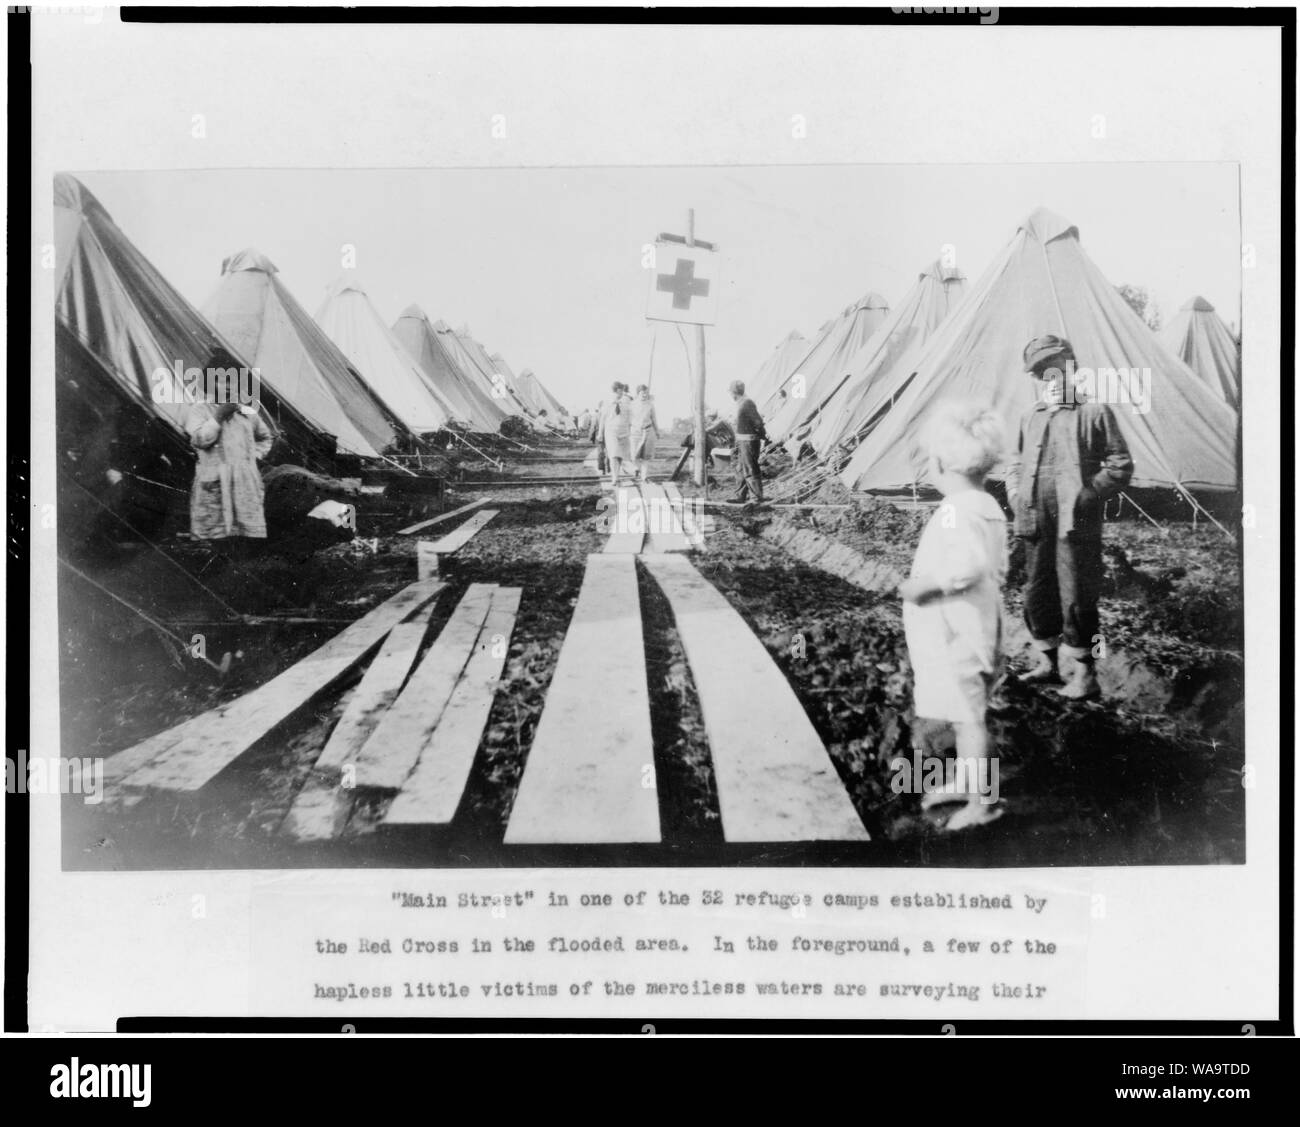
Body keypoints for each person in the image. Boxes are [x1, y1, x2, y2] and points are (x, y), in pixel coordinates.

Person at [898, 402, 1008, 832]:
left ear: (940, 461)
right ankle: (968, 779)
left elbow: (966, 568)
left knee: (969, 717)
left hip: (957, 631)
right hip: (971, 625)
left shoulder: (957, 512)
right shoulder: (985, 505)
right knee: (967, 711)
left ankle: (984, 802)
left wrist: (921, 586)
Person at [1005, 334, 1133, 700]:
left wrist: (1087, 495)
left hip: (1074, 526)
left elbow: (1120, 465)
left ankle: (1087, 674)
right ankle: (1048, 664)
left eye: (1055, 370)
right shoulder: (1029, 417)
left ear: (1071, 369)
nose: (1049, 379)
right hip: (1034, 521)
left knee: (1079, 599)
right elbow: (1015, 462)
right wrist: (1016, 495)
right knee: (1036, 593)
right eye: (1040, 373)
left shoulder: (1094, 412)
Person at [183, 361, 273, 550]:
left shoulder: (248, 413)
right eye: (221, 381)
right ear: (209, 383)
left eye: (233, 382)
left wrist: (253, 457)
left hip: (244, 480)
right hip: (215, 479)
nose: (228, 387)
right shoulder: (200, 409)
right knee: (216, 533)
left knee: (243, 533)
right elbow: (199, 440)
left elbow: (266, 437)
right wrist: (218, 417)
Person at [728, 379, 765, 503]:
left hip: (749, 441)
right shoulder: (741, 403)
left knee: (750, 468)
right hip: (742, 441)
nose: (731, 395)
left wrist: (760, 434)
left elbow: (758, 422)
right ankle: (740, 496)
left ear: (734, 392)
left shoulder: (747, 403)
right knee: (740, 468)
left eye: (731, 393)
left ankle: (757, 498)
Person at [599, 381, 632, 487]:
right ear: (616, 391)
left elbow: (630, 416)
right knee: (613, 454)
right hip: (611, 431)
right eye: (619, 391)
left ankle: (617, 475)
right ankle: (614, 477)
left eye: (622, 391)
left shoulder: (626, 401)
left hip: (623, 431)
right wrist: (600, 433)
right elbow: (603, 418)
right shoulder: (607, 402)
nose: (621, 393)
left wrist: (630, 429)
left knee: (620, 455)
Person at [628, 383, 659, 483]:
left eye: (646, 393)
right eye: (642, 393)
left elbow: (654, 419)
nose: (644, 395)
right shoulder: (632, 405)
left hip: (648, 431)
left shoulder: (650, 405)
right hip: (635, 431)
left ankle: (644, 476)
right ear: (638, 393)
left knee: (646, 456)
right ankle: (636, 468)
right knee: (634, 455)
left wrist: (657, 431)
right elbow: (628, 420)